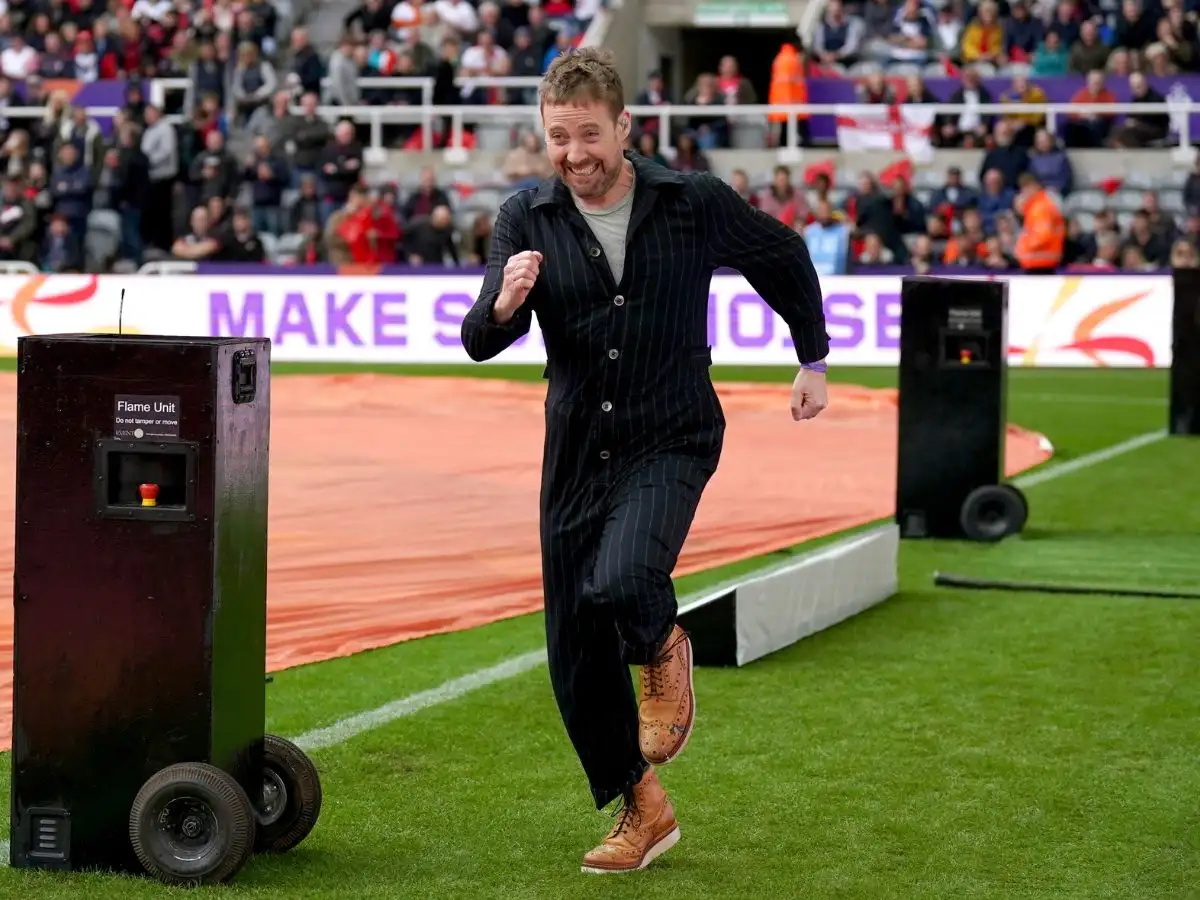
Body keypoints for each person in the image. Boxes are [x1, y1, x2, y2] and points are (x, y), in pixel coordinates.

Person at [460, 48, 830, 875]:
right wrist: (504, 302)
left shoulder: (688, 200)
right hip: (575, 455)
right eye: (559, 137)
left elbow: (782, 256)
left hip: (673, 434)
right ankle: (643, 809)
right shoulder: (528, 214)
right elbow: (482, 340)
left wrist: (812, 357)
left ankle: (666, 649)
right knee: (573, 649)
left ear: (625, 127)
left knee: (625, 581)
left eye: (589, 133)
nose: (575, 153)